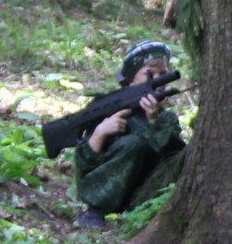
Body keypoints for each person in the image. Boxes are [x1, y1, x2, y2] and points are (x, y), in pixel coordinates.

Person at [73, 40, 183, 227]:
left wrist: (155, 122)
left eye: (163, 74)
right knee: (133, 143)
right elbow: (84, 164)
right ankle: (93, 210)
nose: (158, 80)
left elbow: (175, 156)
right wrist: (100, 133)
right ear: (132, 76)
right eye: (150, 73)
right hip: (101, 189)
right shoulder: (106, 107)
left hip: (146, 196)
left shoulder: (167, 119)